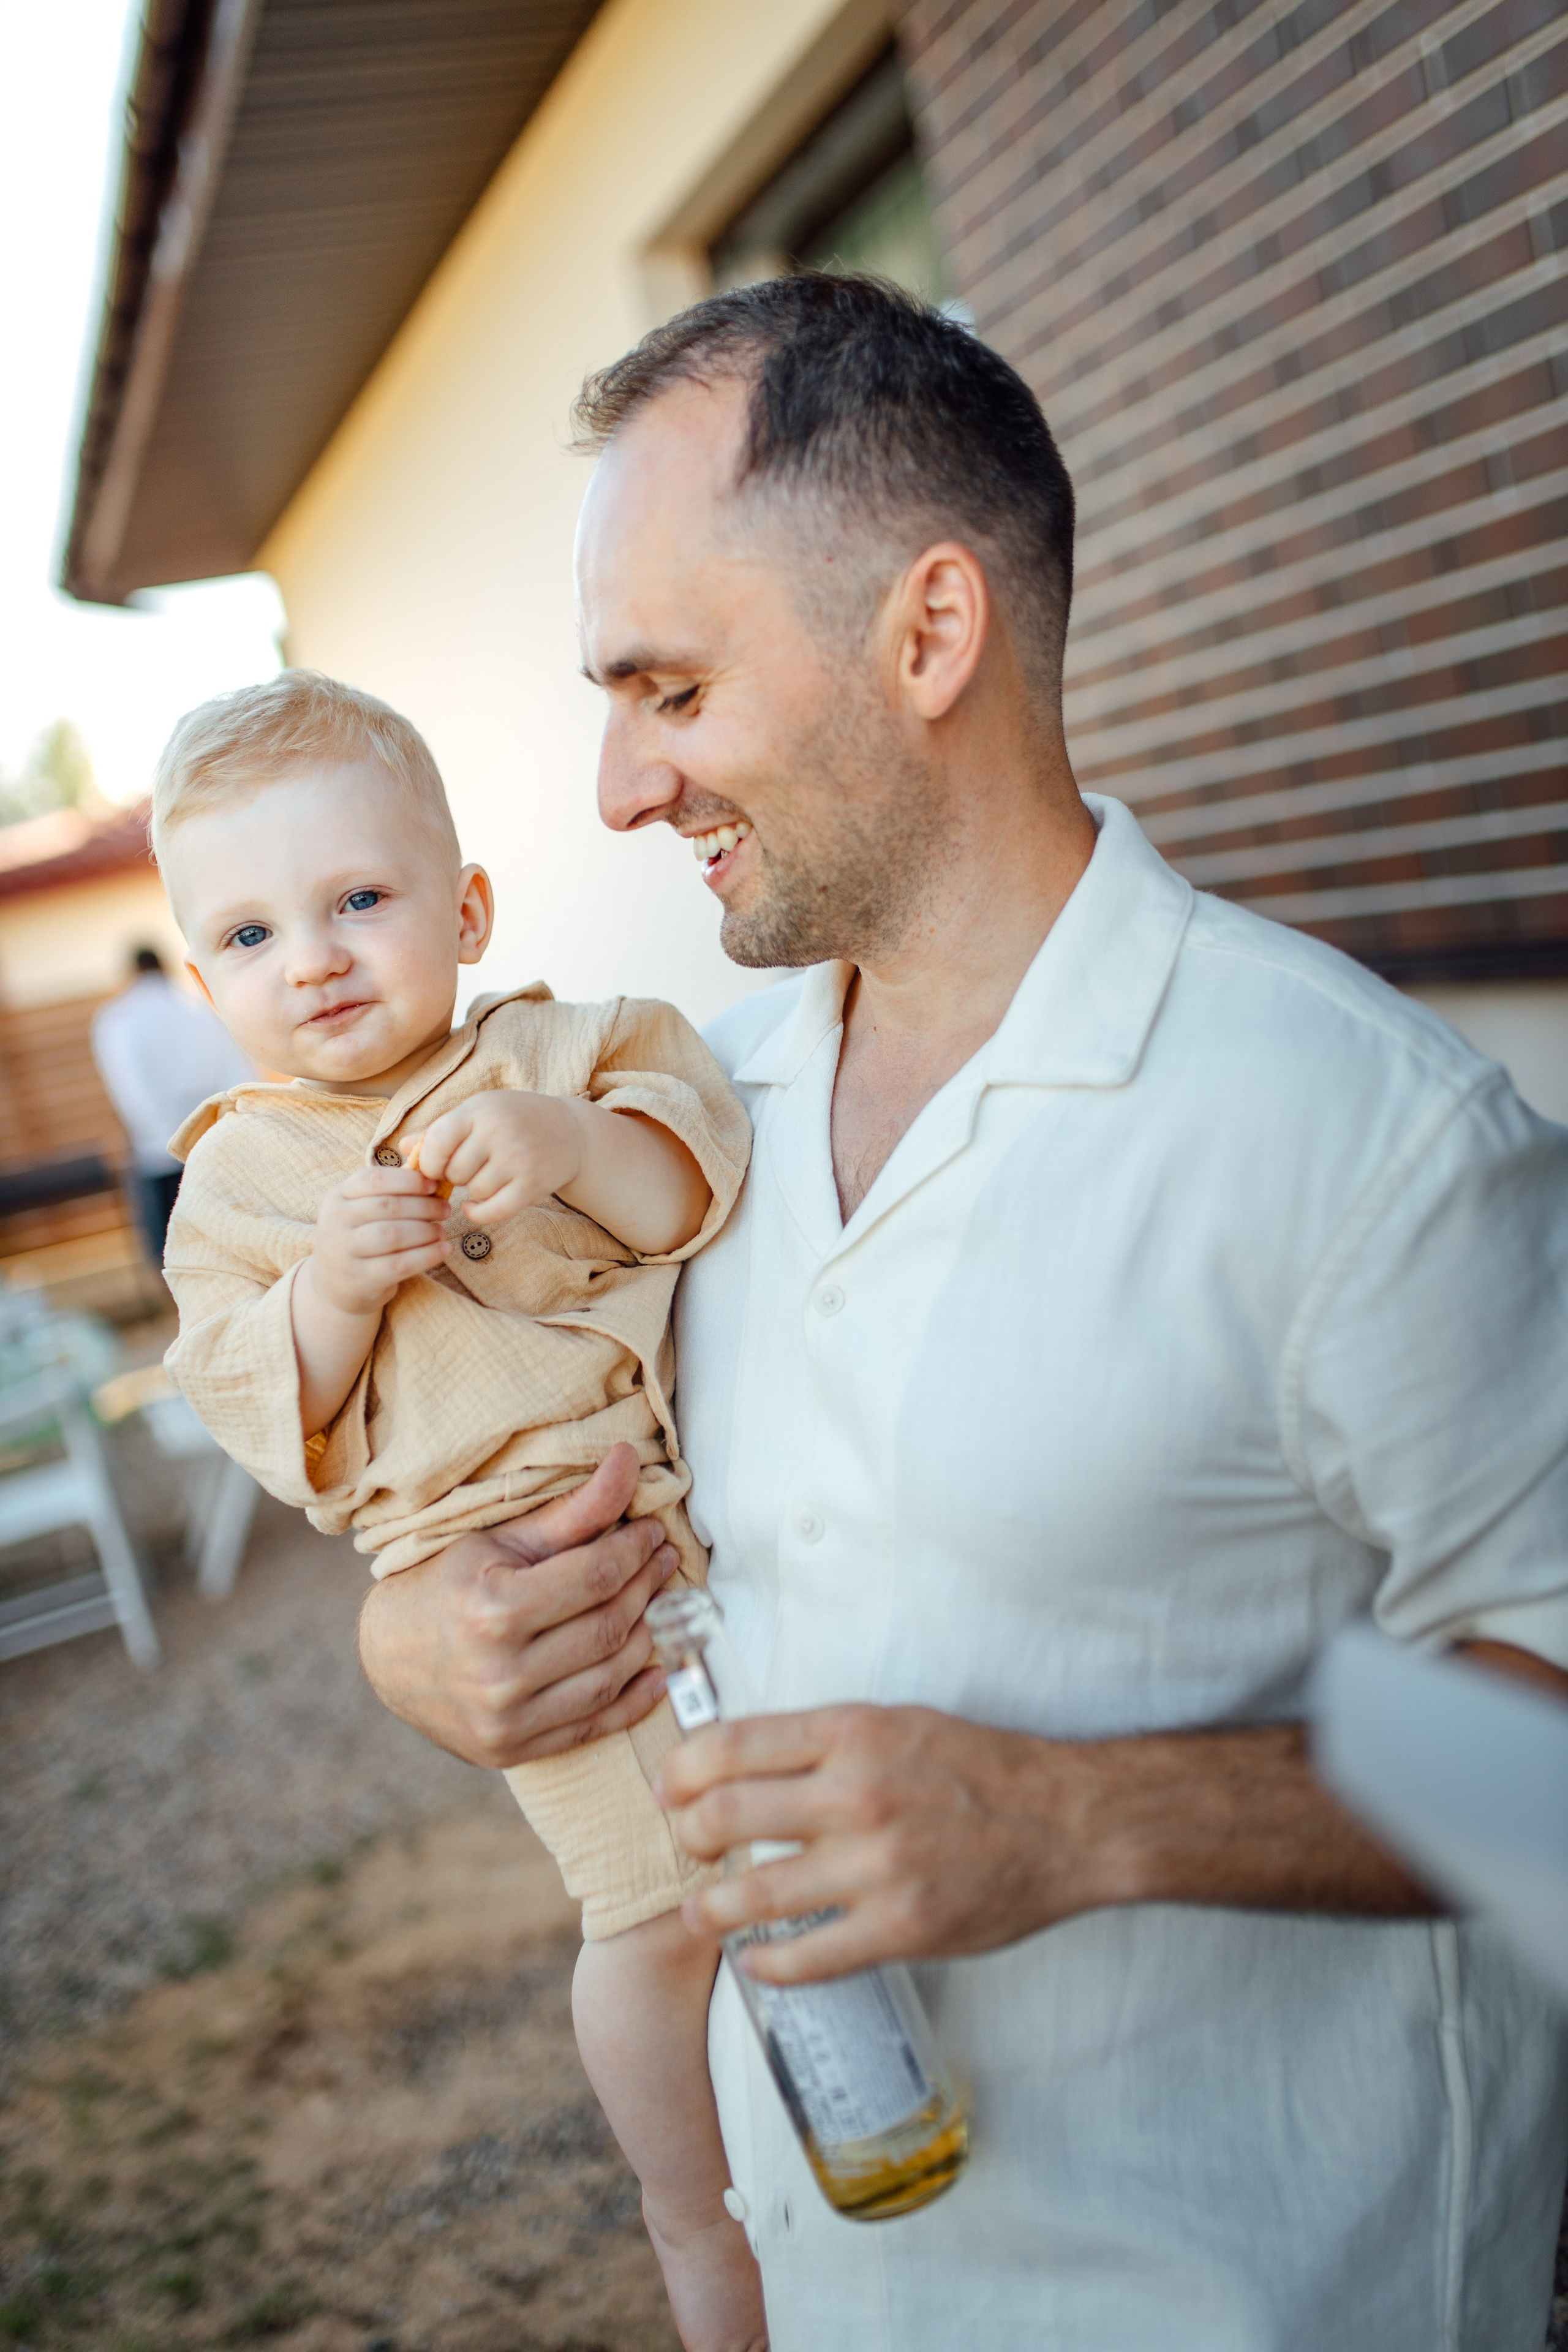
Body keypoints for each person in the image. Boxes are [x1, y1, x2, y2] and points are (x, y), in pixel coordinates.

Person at [356, 276, 1568, 2350]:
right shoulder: (658, 1125)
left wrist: (1085, 1815)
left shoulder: (1365, 1134)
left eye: (669, 690)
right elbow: (452, 1491)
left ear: (929, 634)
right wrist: (426, 1644)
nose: (618, 788)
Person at [151, 671, 763, 2352]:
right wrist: (331, 1297)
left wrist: (565, 1139)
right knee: (656, 1906)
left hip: (694, 1518)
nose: (320, 957)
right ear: (208, 986)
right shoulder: (241, 1184)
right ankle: (696, 2224)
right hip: (525, 1588)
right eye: (257, 936)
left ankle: (818, 2160)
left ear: (468, 905)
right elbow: (259, 1405)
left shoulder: (568, 1047)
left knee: (787, 1855)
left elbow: (687, 1182)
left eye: (359, 900)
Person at [91, 942, 251, 1262]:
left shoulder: (118, 1018)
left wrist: (155, 1135)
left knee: (177, 1248)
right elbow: (237, 1066)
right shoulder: (199, 1007)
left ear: (133, 972)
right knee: (236, 1233)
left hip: (161, 1146)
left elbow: (128, 1086)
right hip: (221, 1134)